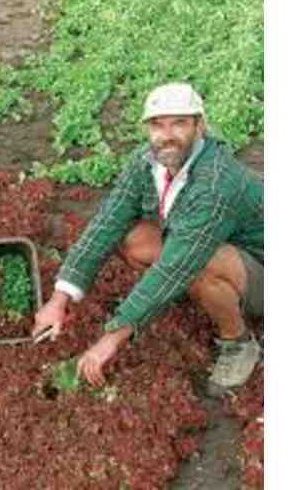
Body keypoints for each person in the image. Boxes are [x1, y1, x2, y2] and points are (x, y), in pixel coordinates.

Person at [32, 82, 263, 396]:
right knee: (132, 240)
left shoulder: (215, 183)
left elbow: (176, 266)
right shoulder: (146, 163)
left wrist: (109, 340)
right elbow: (106, 223)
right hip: (214, 251)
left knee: (198, 264)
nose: (167, 134)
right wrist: (59, 300)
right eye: (157, 124)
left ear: (200, 126)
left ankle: (238, 343)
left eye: (179, 123)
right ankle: (191, 297)